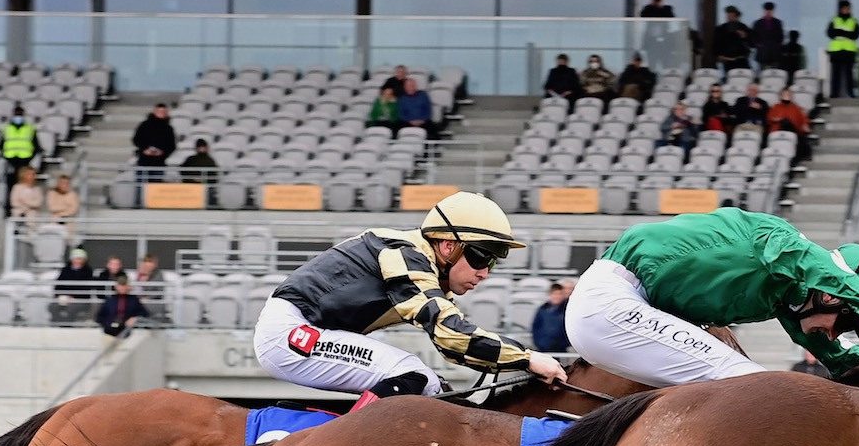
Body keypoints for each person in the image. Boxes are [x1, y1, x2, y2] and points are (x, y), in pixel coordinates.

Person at [252, 193, 564, 404]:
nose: (484, 273)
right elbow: (450, 336)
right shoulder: (404, 255)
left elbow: (456, 349)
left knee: (436, 388)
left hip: (303, 329)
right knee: (414, 376)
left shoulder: (420, 262)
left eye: (493, 263)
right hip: (291, 334)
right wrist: (527, 358)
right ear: (448, 246)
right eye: (482, 258)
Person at [565, 209, 859, 387]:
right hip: (612, 301)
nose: (835, 334)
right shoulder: (779, 239)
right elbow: (814, 263)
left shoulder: (786, 298)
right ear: (831, 297)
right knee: (754, 386)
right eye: (848, 322)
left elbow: (840, 360)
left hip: (626, 312)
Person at [0, 104, 39, 207]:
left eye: (20, 114)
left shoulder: (30, 128)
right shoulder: (6, 128)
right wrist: (6, 157)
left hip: (24, 162)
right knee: (10, 187)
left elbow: (36, 146)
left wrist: (29, 159)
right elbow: (1, 145)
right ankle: (9, 209)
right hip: (10, 161)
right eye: (16, 114)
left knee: (24, 186)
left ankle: (24, 207)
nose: (18, 116)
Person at [51, 247, 100, 323]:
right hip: (64, 297)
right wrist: (62, 295)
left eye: (80, 259)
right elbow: (58, 286)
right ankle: (57, 324)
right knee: (53, 306)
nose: (78, 261)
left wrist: (73, 296)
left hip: (81, 300)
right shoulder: (65, 270)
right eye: (76, 258)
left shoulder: (88, 271)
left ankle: (67, 326)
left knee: (71, 308)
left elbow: (86, 289)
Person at [132, 103, 177, 181]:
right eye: (159, 111)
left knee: (155, 186)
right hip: (143, 161)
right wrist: (145, 149)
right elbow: (136, 139)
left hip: (159, 163)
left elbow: (172, 146)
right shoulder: (144, 125)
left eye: (163, 112)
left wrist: (162, 152)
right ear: (154, 112)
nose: (161, 113)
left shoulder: (169, 129)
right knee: (141, 186)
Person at [827, 0, 859, 99]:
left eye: (847, 8)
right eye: (844, 8)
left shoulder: (854, 21)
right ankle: (834, 94)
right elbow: (830, 33)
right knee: (835, 74)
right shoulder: (834, 20)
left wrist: (840, 32)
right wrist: (847, 34)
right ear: (840, 9)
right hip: (836, 51)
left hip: (849, 51)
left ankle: (850, 93)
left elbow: (855, 35)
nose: (846, 10)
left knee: (849, 74)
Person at [766, 90, 811, 160]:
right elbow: (770, 118)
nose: (786, 96)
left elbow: (804, 119)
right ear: (780, 96)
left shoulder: (796, 108)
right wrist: (777, 119)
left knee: (799, 135)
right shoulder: (775, 107)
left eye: (788, 95)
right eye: (784, 95)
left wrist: (805, 125)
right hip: (778, 129)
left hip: (794, 130)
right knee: (785, 121)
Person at [530, 281, 570, 353]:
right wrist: (539, 343)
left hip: (561, 350)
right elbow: (535, 327)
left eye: (559, 294)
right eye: (554, 294)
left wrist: (564, 344)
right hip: (543, 348)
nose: (557, 296)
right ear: (550, 295)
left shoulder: (568, 310)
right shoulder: (542, 309)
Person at [711, 6, 751, 74]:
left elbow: (750, 43)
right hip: (727, 60)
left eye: (733, 16)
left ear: (737, 16)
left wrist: (744, 36)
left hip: (741, 60)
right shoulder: (721, 29)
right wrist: (718, 55)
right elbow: (716, 44)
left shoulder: (743, 27)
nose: (730, 17)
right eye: (729, 15)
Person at [751, 2, 785, 69]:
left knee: (774, 73)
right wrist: (760, 45)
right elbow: (754, 37)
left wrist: (775, 46)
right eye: (767, 11)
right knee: (763, 73)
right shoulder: (757, 23)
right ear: (764, 11)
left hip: (775, 54)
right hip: (762, 54)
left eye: (770, 11)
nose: (768, 13)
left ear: (773, 11)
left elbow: (781, 38)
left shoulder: (778, 23)